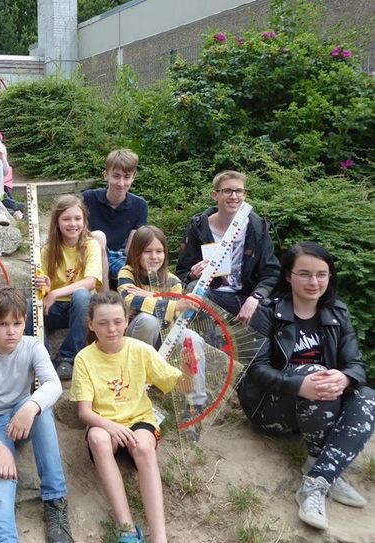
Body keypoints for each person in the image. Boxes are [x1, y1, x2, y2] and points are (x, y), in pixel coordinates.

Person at [237, 242, 375, 531]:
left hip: (320, 399)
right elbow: (255, 370)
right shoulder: (267, 311)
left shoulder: (337, 312)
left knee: (368, 397)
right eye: (304, 274)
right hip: (269, 407)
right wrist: (299, 385)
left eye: (321, 274)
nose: (314, 282)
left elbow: (356, 365)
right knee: (316, 373)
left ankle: (318, 479)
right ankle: (326, 471)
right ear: (288, 276)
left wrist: (346, 378)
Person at [73, 291, 189, 543]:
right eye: (102, 323)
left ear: (127, 320)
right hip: (104, 423)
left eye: (117, 321)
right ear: (91, 324)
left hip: (140, 419)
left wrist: (190, 371)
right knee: (98, 438)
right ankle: (126, 527)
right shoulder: (84, 358)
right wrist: (109, 426)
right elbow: (85, 412)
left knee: (144, 448)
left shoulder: (140, 349)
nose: (111, 329)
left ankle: (159, 537)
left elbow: (177, 384)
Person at [0, 286, 74, 543]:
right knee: (3, 478)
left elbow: (54, 385)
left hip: (20, 415)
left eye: (17, 323)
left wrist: (30, 406)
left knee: (42, 413)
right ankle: (4, 538)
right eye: (3, 324)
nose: (11, 331)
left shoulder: (32, 346)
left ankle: (55, 502)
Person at [117, 225, 208, 437]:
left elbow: (176, 319)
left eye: (159, 251)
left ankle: (195, 404)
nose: (154, 257)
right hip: (134, 339)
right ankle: (137, 383)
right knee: (148, 321)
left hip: (164, 338)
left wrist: (149, 297)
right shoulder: (127, 272)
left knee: (193, 338)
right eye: (148, 252)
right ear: (136, 252)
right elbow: (129, 300)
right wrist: (167, 302)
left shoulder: (173, 280)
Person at [175, 170, 279, 328]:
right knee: (194, 290)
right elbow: (182, 273)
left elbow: (271, 273)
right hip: (212, 295)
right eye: (227, 191)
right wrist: (192, 275)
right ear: (215, 195)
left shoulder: (257, 228)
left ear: (245, 195)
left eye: (239, 191)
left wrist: (256, 297)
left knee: (264, 311)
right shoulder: (198, 228)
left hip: (246, 296)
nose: (234, 196)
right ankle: (207, 349)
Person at [33, 195, 102, 379]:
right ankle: (44, 359)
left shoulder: (91, 245)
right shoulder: (48, 250)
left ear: (85, 221)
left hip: (81, 309)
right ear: (57, 222)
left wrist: (55, 292)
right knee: (28, 306)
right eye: (66, 219)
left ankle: (68, 358)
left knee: (81, 296)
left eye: (77, 218)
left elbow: (91, 282)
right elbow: (43, 290)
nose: (73, 224)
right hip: (56, 309)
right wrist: (45, 288)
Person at [82, 149, 147, 290]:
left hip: (119, 257)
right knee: (99, 237)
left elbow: (131, 247)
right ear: (106, 175)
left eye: (126, 177)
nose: (121, 183)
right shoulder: (88, 199)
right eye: (116, 176)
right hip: (91, 252)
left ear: (133, 177)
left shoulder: (139, 205)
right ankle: (104, 296)